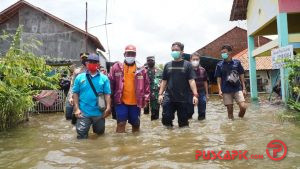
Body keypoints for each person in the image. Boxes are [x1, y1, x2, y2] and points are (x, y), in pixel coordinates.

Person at [109, 45, 150, 133]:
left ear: (135, 55)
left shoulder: (141, 69)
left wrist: (146, 100)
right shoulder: (116, 67)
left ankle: (135, 145)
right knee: (121, 123)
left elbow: (146, 85)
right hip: (120, 101)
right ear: (124, 54)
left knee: (136, 124)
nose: (130, 56)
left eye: (132, 54)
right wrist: (110, 101)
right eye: (128, 53)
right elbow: (110, 83)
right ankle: (120, 145)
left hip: (136, 102)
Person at [158, 42, 198, 128]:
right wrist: (160, 94)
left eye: (176, 50)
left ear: (182, 52)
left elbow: (191, 81)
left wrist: (195, 95)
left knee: (183, 123)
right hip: (169, 97)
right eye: (173, 50)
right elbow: (164, 81)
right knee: (166, 119)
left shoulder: (188, 65)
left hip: (183, 98)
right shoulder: (167, 65)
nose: (174, 52)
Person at [72, 54, 111, 139]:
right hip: (83, 113)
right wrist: (77, 109)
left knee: (100, 135)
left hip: (99, 113)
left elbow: (107, 94)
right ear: (86, 63)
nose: (92, 64)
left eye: (95, 62)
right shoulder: (79, 77)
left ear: (98, 64)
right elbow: (75, 93)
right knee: (81, 136)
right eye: (90, 62)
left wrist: (108, 107)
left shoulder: (104, 78)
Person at [215, 44, 247, 119]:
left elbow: (241, 74)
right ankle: (231, 126)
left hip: (237, 88)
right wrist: (219, 90)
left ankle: (240, 120)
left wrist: (244, 88)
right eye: (222, 52)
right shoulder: (219, 65)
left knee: (243, 107)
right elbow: (218, 78)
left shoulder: (237, 62)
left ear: (230, 52)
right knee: (230, 110)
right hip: (226, 90)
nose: (223, 54)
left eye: (224, 52)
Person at [65, 53, 88, 123]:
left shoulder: (93, 70)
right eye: (83, 58)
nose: (84, 60)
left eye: (86, 58)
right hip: (77, 94)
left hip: (88, 96)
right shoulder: (77, 71)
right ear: (81, 59)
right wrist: (70, 97)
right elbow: (72, 85)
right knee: (70, 114)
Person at [188, 52, 209, 120]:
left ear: (199, 60)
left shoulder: (203, 70)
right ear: (190, 60)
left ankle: (202, 126)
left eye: (197, 59)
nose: (195, 61)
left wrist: (207, 94)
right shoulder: (187, 70)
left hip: (201, 92)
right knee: (189, 112)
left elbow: (205, 82)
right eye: (193, 59)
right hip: (189, 93)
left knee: (202, 111)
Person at [144, 56, 160, 120]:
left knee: (155, 113)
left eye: (151, 60)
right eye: (148, 61)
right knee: (145, 112)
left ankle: (154, 126)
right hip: (145, 94)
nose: (150, 62)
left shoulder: (159, 71)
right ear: (147, 62)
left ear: (154, 61)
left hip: (155, 94)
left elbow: (163, 82)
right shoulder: (144, 71)